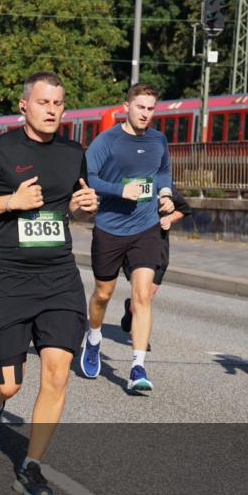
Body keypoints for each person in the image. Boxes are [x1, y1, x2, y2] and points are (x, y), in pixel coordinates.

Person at [0, 71, 98, 495]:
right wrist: (10, 201)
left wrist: (85, 208)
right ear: (24, 106)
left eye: (58, 103)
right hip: (7, 281)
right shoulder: (0, 150)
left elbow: (74, 209)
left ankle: (31, 466)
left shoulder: (74, 153)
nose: (52, 110)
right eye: (43, 102)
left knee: (57, 373)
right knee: (9, 384)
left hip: (59, 279)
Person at [81, 82, 173, 392]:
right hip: (110, 227)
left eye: (151, 109)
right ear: (126, 107)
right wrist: (119, 190)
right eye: (140, 107)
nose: (145, 113)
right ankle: (94, 337)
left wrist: (165, 194)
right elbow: (87, 177)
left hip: (146, 227)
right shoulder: (107, 140)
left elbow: (163, 171)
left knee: (142, 295)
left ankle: (137, 367)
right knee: (103, 294)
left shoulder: (158, 140)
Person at [119, 187, 192, 341]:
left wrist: (169, 219)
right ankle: (141, 340)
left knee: (147, 294)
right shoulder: (129, 182)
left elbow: (183, 209)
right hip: (131, 245)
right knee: (143, 294)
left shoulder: (163, 186)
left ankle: (131, 309)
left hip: (159, 248)